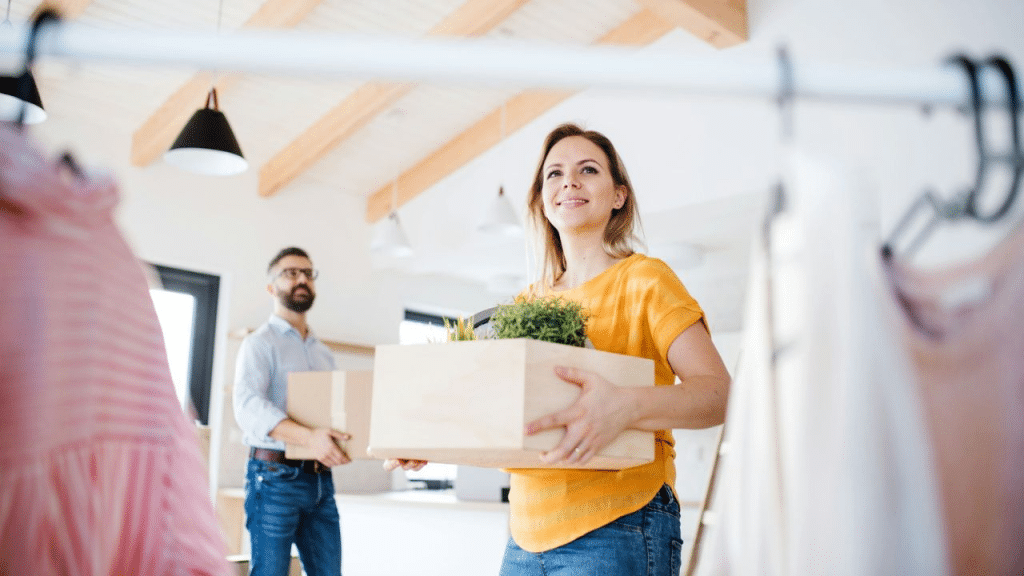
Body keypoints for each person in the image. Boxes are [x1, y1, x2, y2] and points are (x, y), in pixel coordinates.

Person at [498, 123, 732, 575]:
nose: (569, 181)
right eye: (554, 173)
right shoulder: (529, 302)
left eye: (588, 170)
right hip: (523, 535)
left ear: (618, 196)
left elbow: (719, 394)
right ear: (541, 200)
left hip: (620, 522)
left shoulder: (645, 279)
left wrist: (624, 406)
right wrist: (437, 441)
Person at [234, 246, 352, 576]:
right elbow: (247, 406)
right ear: (271, 288)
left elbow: (331, 415)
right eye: (291, 273)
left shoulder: (324, 353)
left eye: (308, 273)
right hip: (273, 480)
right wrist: (308, 437)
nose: (302, 279)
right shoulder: (259, 343)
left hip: (320, 482)